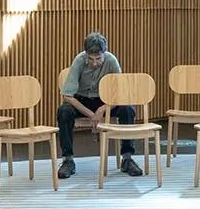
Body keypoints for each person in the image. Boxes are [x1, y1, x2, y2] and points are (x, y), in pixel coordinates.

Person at [54, 32, 144, 178]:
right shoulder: (79, 60)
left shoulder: (111, 60)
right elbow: (67, 96)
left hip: (106, 101)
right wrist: (92, 115)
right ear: (86, 54)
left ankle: (127, 158)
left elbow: (120, 94)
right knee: (63, 111)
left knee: (127, 109)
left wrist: (102, 109)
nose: (94, 63)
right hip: (82, 100)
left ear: (104, 53)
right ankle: (68, 160)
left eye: (98, 58)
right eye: (90, 59)